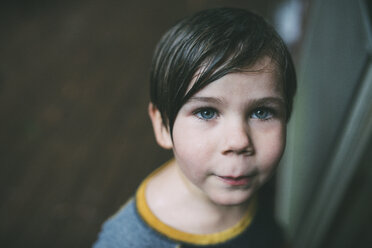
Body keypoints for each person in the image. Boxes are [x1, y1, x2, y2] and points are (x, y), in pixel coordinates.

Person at [93, 7, 296, 248]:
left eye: (262, 112)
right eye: (206, 112)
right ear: (162, 125)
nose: (239, 141)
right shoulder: (127, 241)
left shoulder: (257, 180)